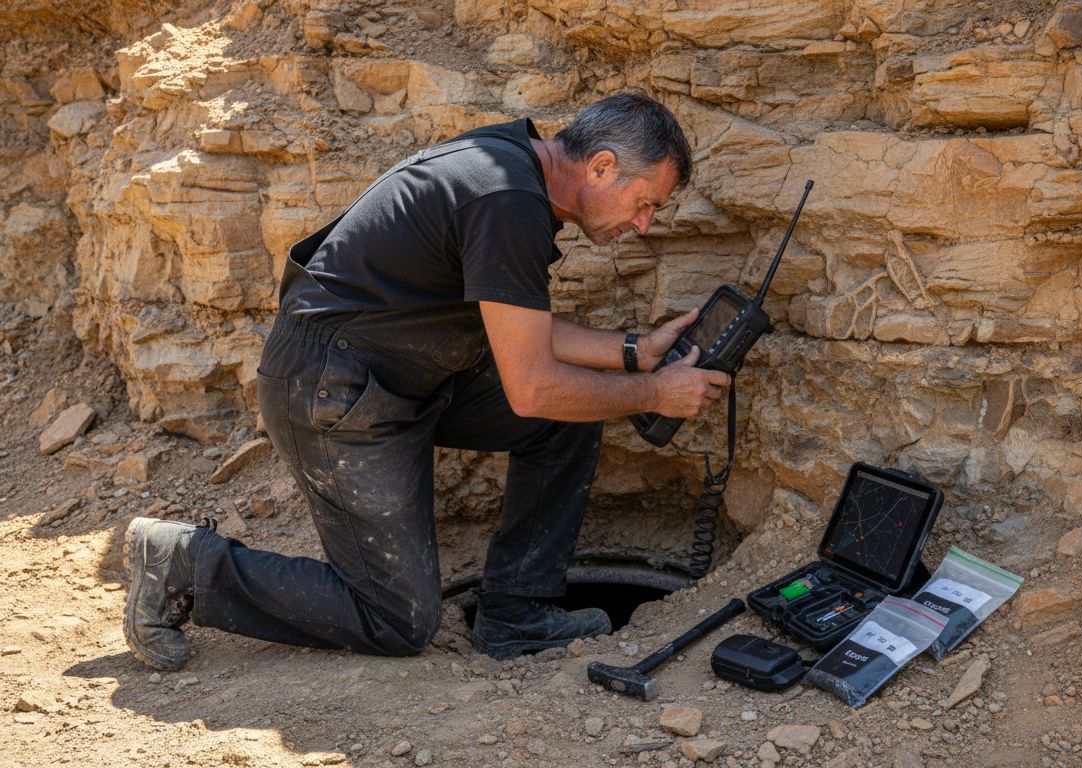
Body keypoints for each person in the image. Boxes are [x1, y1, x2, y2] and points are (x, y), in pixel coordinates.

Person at [122, 93, 732, 670]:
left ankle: (516, 613)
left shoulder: (512, 170)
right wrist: (654, 393)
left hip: (401, 375)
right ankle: (184, 562)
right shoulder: (505, 198)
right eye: (645, 202)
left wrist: (633, 353)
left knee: (564, 420)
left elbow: (523, 328)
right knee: (397, 619)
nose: (645, 224)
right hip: (333, 393)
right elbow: (532, 387)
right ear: (601, 167)